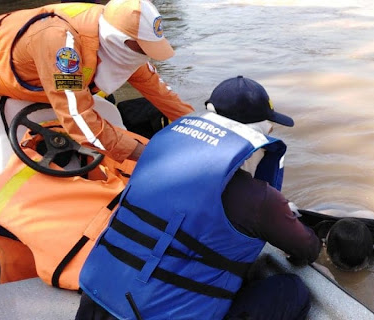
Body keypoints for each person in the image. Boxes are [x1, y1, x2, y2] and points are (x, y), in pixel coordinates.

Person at [75, 76, 322, 320]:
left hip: (96, 305)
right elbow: (308, 248)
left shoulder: (157, 154)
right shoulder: (259, 197)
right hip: (161, 312)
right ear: (259, 133)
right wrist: (282, 216)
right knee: (290, 291)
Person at [0, 0, 194, 195]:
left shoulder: (127, 45)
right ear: (117, 40)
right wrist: (145, 153)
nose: (145, 56)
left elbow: (162, 94)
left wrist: (199, 128)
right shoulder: (62, 46)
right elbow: (79, 121)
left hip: (32, 78)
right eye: (141, 49)